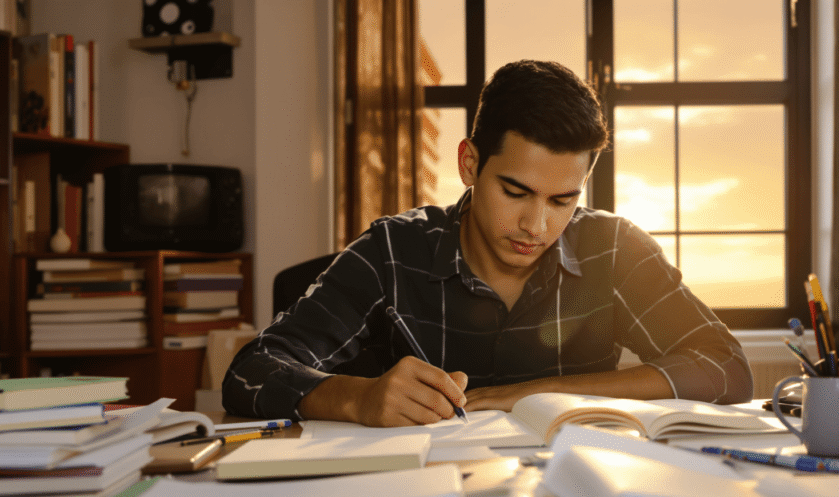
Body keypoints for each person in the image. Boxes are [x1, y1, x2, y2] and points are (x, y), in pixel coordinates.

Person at [222, 60, 753, 426]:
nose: (537, 226)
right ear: (470, 163)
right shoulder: (392, 251)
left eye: (562, 200)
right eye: (516, 191)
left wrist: (533, 394)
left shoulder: (613, 249)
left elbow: (727, 366)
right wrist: (358, 398)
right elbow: (251, 372)